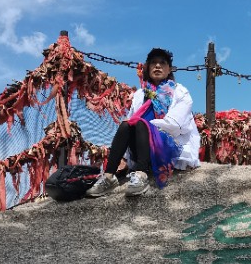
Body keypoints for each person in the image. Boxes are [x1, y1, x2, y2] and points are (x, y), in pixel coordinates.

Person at [86, 47, 200, 198]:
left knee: (140, 124)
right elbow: (131, 120)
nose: (157, 66)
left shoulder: (180, 91)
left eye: (162, 63)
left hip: (168, 144)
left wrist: (147, 126)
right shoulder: (141, 94)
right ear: (148, 68)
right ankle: (108, 176)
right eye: (153, 63)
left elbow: (175, 124)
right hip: (142, 145)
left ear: (169, 69)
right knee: (126, 124)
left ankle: (141, 174)